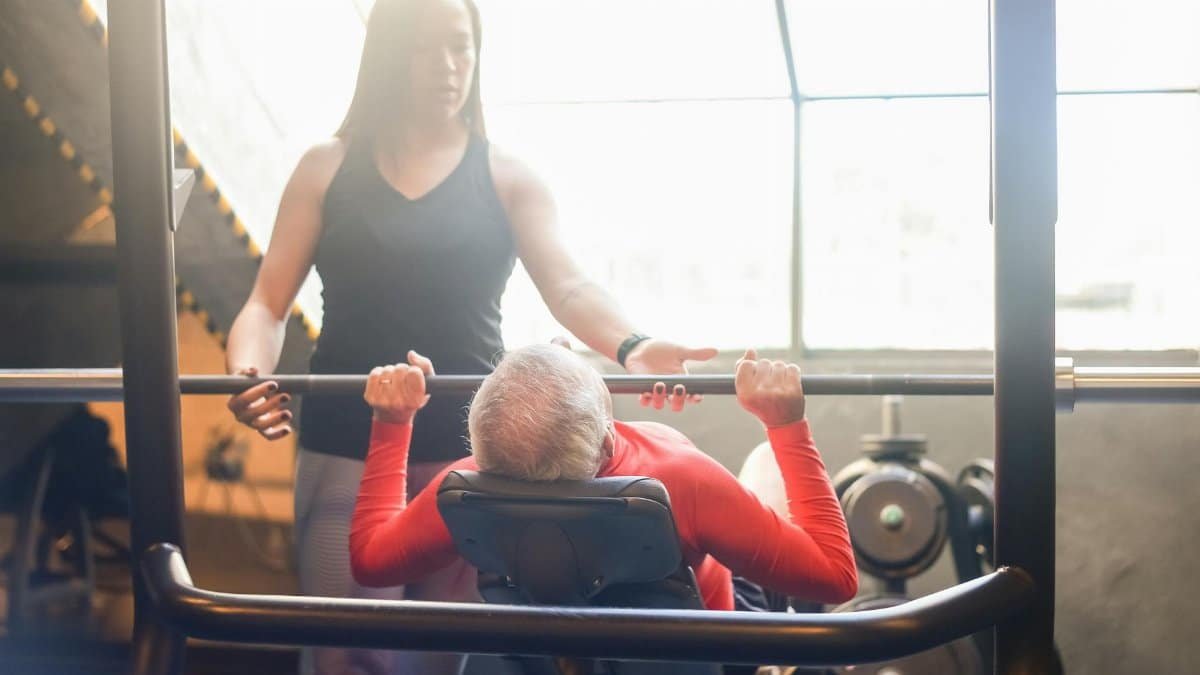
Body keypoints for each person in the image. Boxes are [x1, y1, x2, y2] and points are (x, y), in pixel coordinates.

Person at [222, 0, 715, 672]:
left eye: (461, 47)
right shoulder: (326, 168)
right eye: (427, 48)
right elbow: (267, 304)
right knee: (341, 655)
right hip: (346, 446)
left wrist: (634, 345)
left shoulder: (508, 177)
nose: (448, 66)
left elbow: (567, 286)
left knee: (439, 660)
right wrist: (248, 374)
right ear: (389, 53)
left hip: (470, 455)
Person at [351, 344, 857, 617]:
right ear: (606, 438)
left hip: (552, 654)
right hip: (704, 652)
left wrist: (392, 424)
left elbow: (371, 562)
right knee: (768, 460)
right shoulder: (683, 482)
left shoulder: (468, 485)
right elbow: (837, 576)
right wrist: (785, 422)